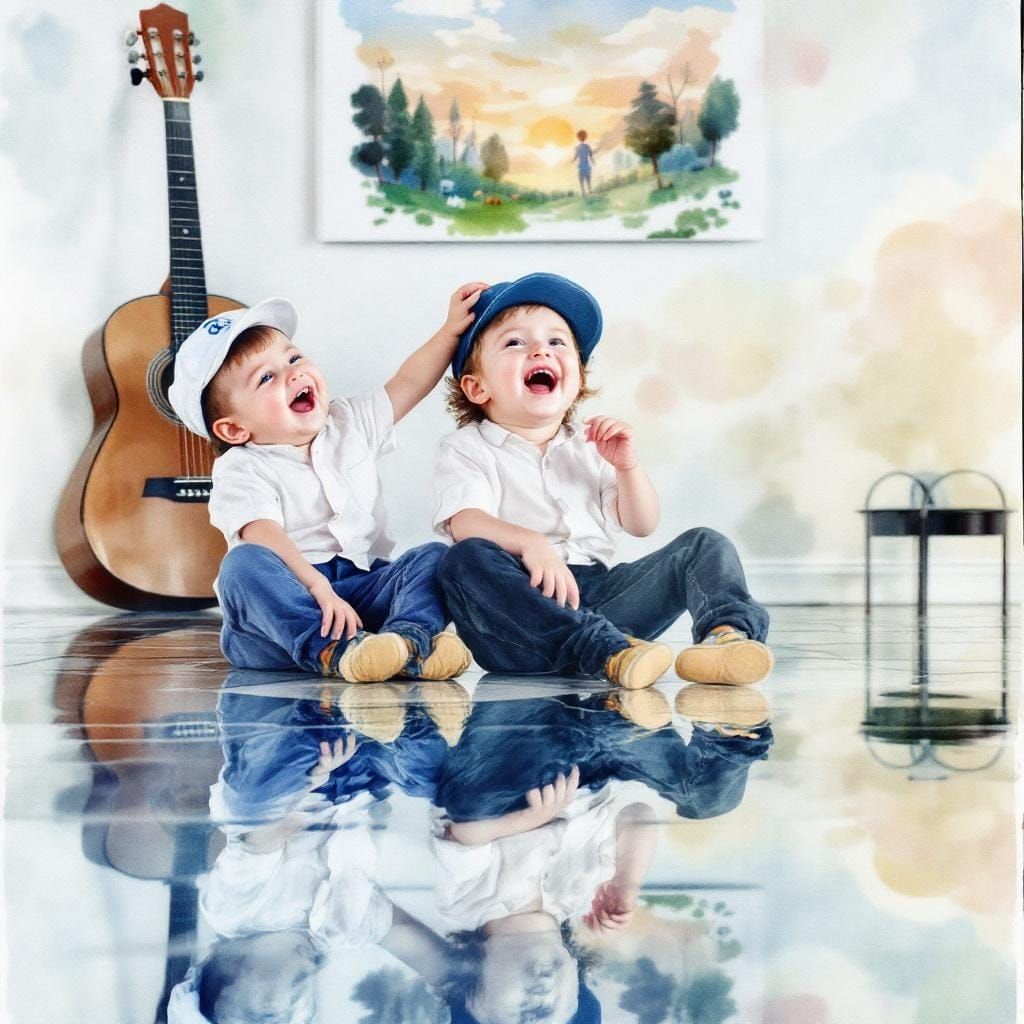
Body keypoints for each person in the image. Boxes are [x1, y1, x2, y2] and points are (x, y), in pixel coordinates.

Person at [433, 272, 774, 691]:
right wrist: (531, 543)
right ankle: (603, 650)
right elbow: (464, 521)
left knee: (704, 543)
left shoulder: (590, 444)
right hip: (518, 616)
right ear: (476, 386)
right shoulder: (467, 447)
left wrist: (627, 467)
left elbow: (641, 524)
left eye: (558, 342)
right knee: (462, 558)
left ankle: (725, 639)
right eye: (515, 342)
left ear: (578, 376)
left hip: (601, 597)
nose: (541, 348)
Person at [167, 285, 487, 681]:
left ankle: (407, 642)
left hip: (362, 588)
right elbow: (264, 533)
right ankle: (332, 652)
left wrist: (451, 330)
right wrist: (316, 586)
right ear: (234, 428)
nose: (293, 373)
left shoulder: (349, 421)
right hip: (285, 613)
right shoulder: (241, 468)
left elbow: (409, 382)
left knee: (435, 557)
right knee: (243, 565)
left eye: (294, 357)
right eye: (266, 377)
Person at [572, 130, 595, 196]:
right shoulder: (587, 146)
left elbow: (575, 157)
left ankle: (585, 194)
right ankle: (590, 193)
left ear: (578, 138)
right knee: (588, 183)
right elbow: (591, 155)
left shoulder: (577, 148)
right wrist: (593, 161)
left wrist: (570, 161)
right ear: (585, 137)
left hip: (582, 168)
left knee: (582, 183)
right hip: (587, 167)